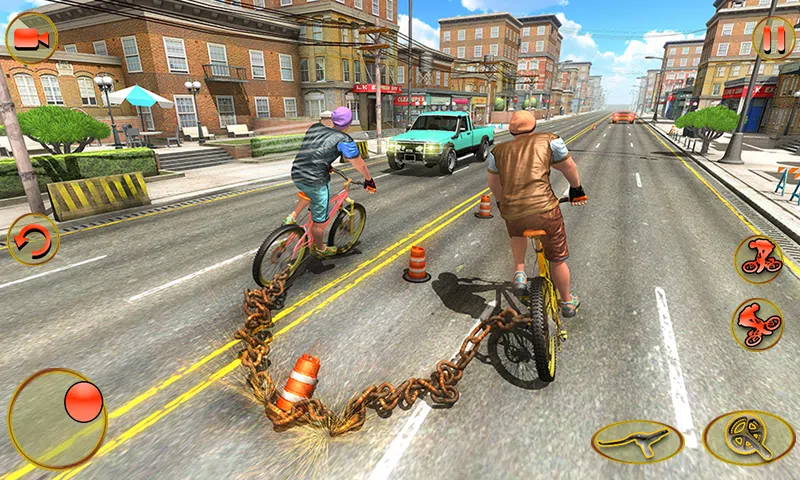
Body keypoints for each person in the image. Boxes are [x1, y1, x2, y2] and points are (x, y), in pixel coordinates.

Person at [487, 110, 587, 318]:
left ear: (511, 131)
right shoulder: (551, 141)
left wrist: (501, 202)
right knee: (557, 259)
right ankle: (567, 302)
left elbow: (493, 183)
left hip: (513, 212)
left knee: (517, 233)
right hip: (545, 210)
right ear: (534, 127)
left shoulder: (498, 151)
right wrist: (576, 188)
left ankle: (520, 273)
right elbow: (569, 167)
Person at [285, 106, 376, 259]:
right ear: (348, 124)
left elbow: (313, 150)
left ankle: (292, 217)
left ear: (333, 120)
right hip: (316, 179)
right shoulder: (344, 140)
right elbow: (359, 164)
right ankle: (320, 249)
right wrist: (369, 180)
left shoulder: (315, 127)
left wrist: (326, 164)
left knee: (309, 192)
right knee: (319, 220)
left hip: (297, 171)